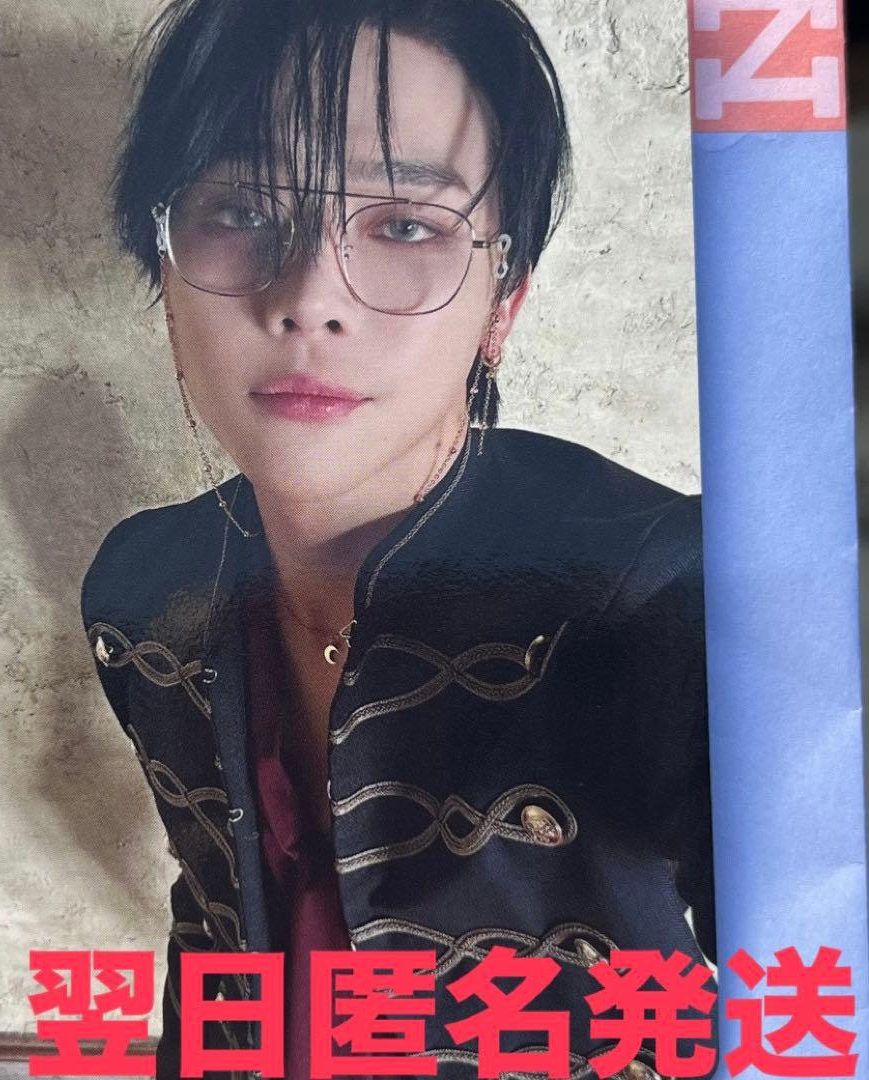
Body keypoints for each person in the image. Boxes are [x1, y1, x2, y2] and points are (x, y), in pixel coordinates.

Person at [81, 1, 716, 1076]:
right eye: (241, 209)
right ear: (165, 274)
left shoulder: (656, 593)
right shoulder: (143, 588)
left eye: (407, 226)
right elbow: (213, 930)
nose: (309, 298)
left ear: (503, 300)